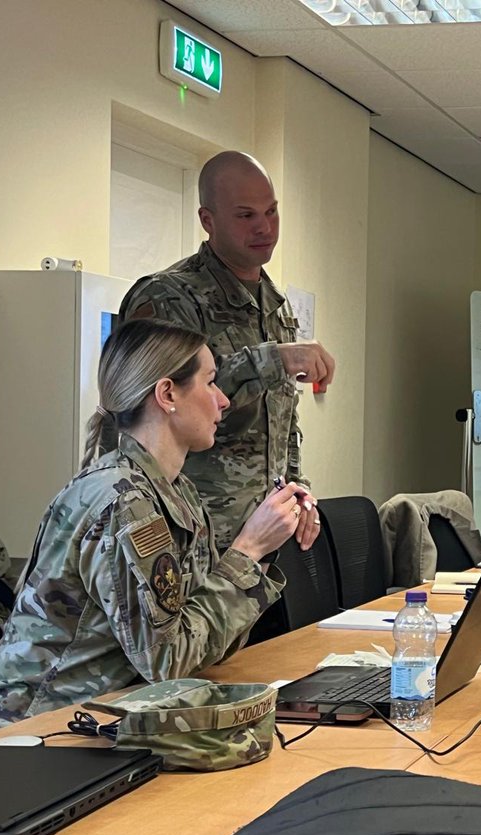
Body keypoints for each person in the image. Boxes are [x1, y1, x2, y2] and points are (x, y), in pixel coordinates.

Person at [0, 320, 305, 740]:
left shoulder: (174, 489)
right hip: (28, 737)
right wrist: (248, 550)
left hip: (93, 724)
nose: (223, 402)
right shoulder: (124, 501)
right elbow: (169, 660)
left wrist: (265, 546)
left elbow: (202, 643)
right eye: (211, 383)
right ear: (167, 394)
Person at [119, 150, 334, 555]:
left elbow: (282, 417)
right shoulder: (169, 297)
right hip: (193, 530)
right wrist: (275, 360)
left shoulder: (275, 304)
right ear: (208, 220)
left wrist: (297, 489)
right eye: (245, 215)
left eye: (271, 212)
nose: (264, 227)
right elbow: (167, 405)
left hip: (266, 534)